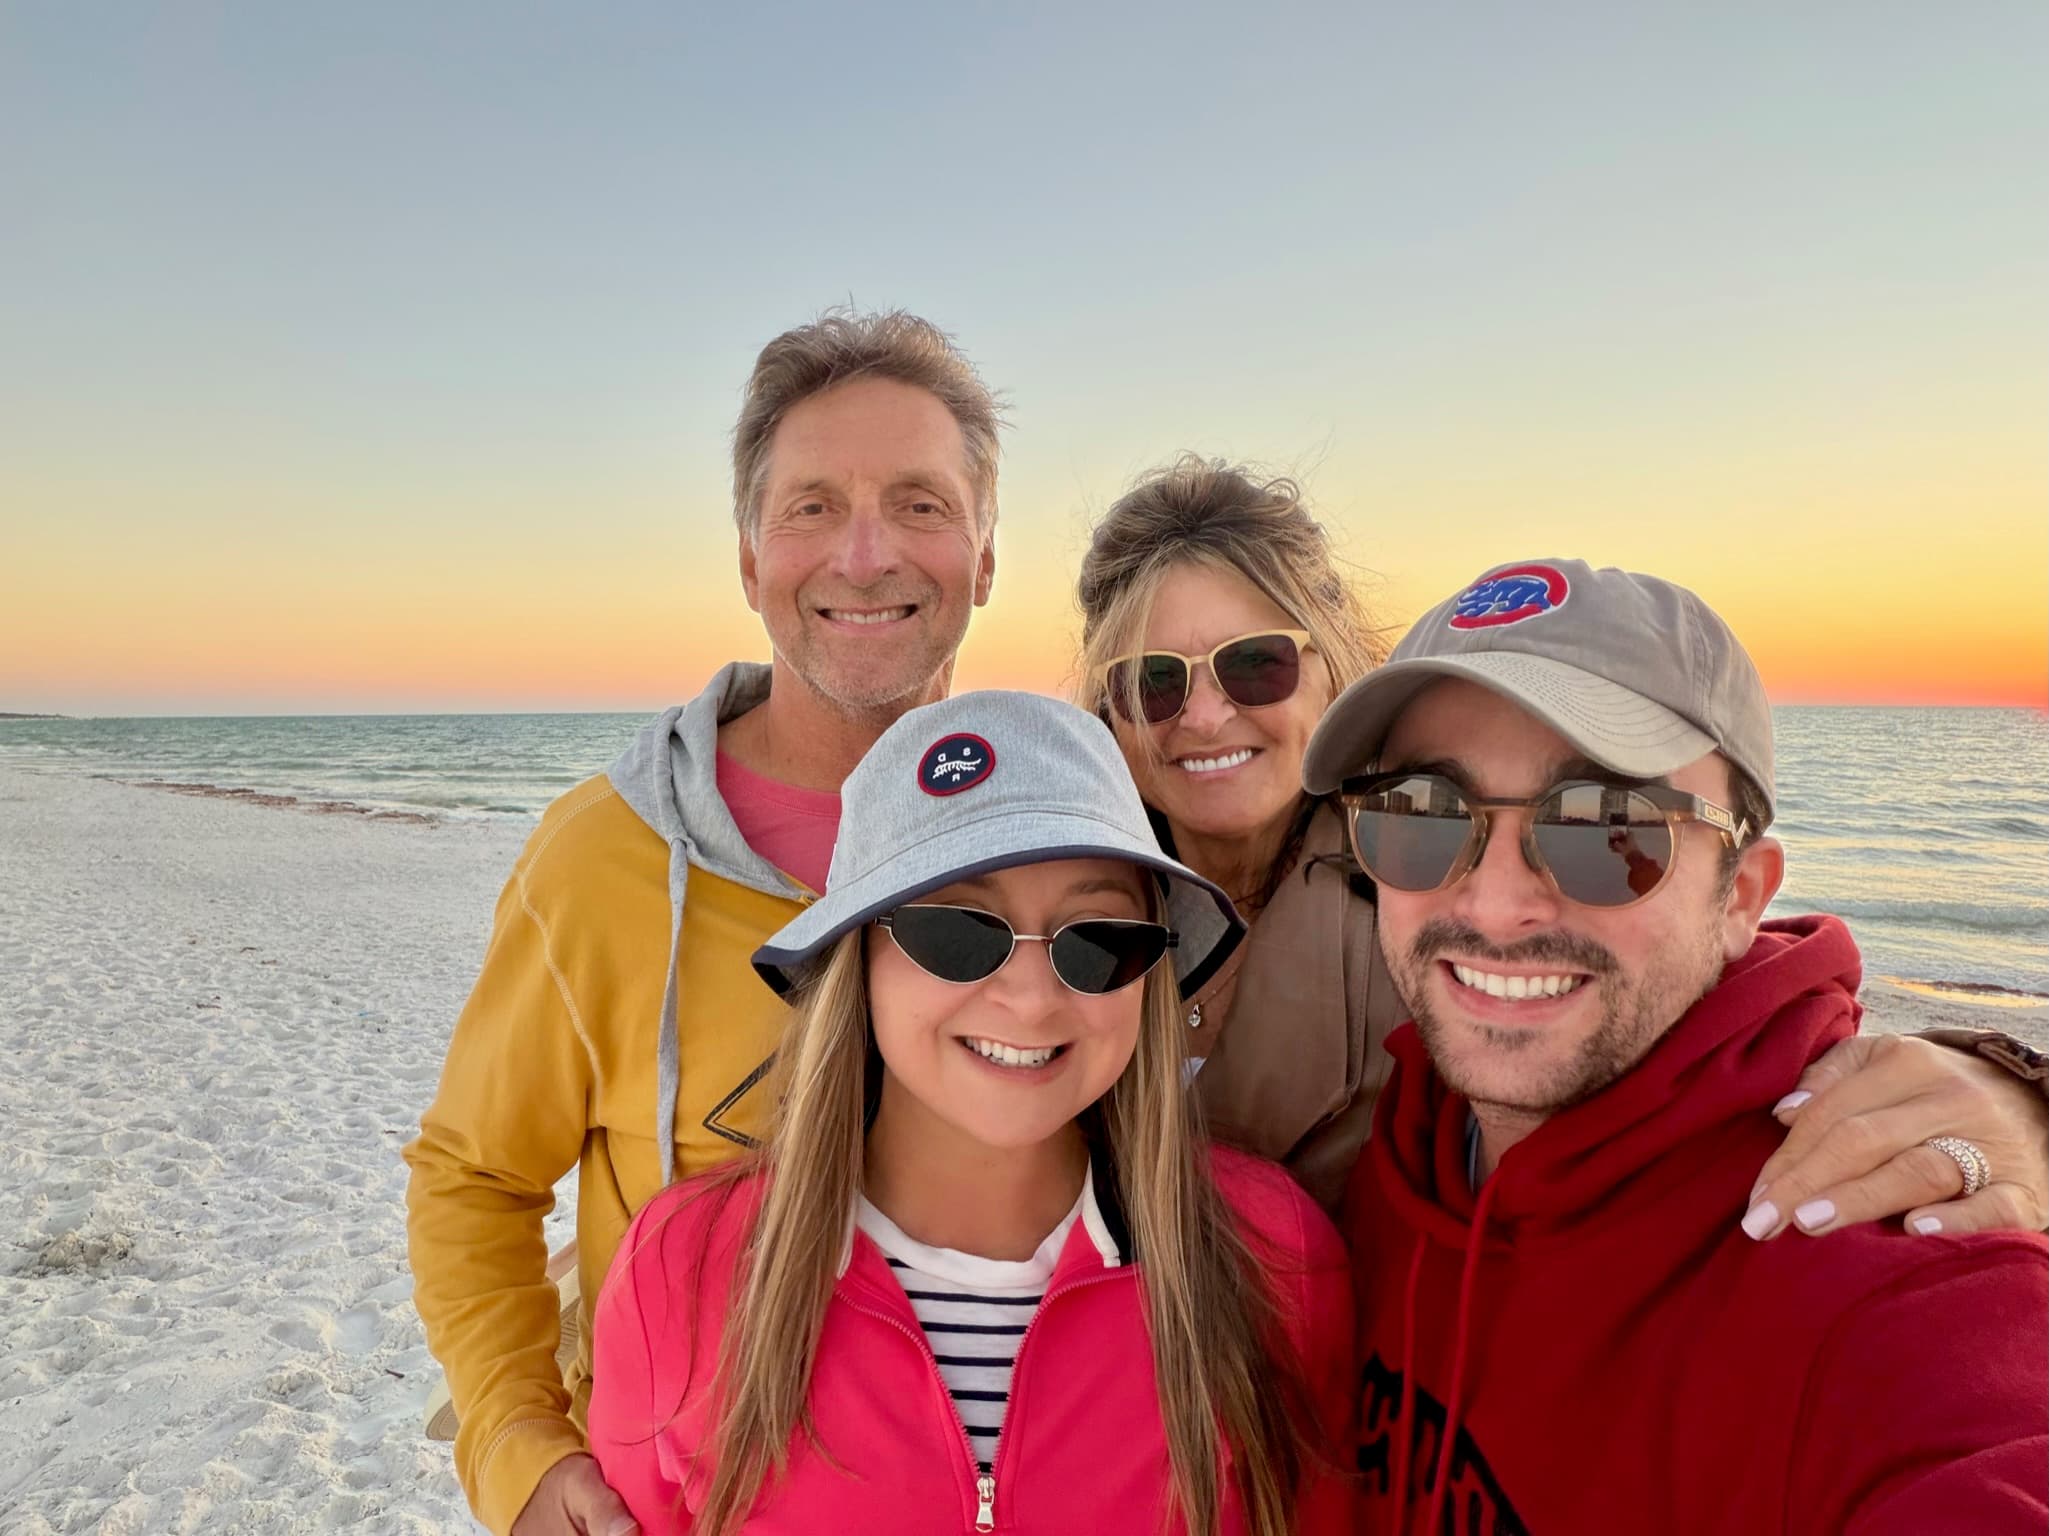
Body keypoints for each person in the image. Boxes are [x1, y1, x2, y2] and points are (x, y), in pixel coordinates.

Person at [1075, 457, 2049, 1224]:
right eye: (1154, 680)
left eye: (1254, 666)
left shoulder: (1426, 878)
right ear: (1110, 711)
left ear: (1332, 670)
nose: (1201, 715)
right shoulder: (1064, 890)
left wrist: (2006, 1095)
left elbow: (1690, 967)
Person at [404, 309, 1006, 1536]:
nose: (866, 553)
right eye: (812, 507)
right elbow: (474, 1175)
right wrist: (518, 1446)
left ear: (987, 557)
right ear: (748, 559)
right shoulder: (603, 857)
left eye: (923, 505)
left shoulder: (1046, 847)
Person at [1300, 558, 2049, 1532]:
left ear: (1741, 894)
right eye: (1422, 816)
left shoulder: (1874, 1264)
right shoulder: (1397, 1159)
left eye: (1608, 827)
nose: (1495, 903)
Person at [587, 692, 1353, 1535]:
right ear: (858, 956)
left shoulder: (1272, 1255)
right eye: (958, 931)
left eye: (1097, 936)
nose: (1030, 1000)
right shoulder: (682, 1267)